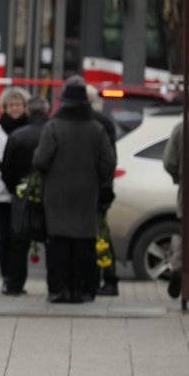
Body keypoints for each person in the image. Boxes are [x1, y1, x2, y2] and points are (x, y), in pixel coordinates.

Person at [33, 83, 115, 304]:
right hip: (87, 195)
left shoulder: (53, 127)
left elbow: (41, 160)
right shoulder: (97, 129)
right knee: (84, 244)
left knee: (58, 244)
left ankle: (59, 290)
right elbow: (108, 163)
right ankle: (84, 291)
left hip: (56, 196)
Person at [0, 95, 50, 295]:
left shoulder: (18, 135)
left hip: (22, 194)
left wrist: (16, 188)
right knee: (52, 240)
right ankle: (54, 285)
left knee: (19, 240)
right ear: (47, 111)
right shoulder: (53, 132)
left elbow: (6, 169)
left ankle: (14, 285)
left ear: (28, 111)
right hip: (50, 194)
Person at [0, 87, 30, 292]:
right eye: (11, 105)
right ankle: (6, 276)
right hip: (2, 191)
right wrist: (9, 181)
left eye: (18, 105)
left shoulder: (29, 126)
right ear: (4, 107)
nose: (14, 108)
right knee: (5, 235)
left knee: (20, 236)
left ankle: (17, 279)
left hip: (24, 190)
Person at [84, 83, 120, 297]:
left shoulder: (99, 123)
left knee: (99, 234)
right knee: (100, 234)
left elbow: (108, 160)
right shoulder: (103, 122)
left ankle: (106, 277)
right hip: (100, 187)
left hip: (95, 188)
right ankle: (107, 278)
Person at [163, 120, 183, 299]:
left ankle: (178, 267)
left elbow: (169, 161)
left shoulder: (183, 126)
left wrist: (179, 178)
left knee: (186, 234)